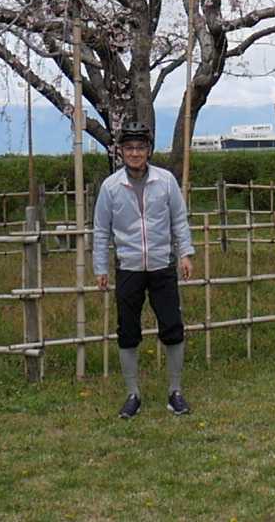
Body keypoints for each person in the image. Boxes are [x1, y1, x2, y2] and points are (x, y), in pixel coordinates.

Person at [92, 120, 195, 418]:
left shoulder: (165, 181)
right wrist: (100, 267)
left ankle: (175, 391)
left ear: (148, 150)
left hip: (162, 264)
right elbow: (101, 230)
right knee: (128, 330)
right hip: (129, 266)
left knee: (172, 327)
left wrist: (185, 253)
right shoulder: (111, 187)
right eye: (129, 148)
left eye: (140, 147)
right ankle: (132, 393)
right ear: (121, 152)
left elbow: (179, 219)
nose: (135, 153)